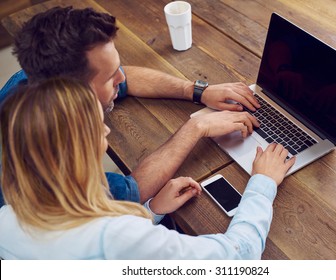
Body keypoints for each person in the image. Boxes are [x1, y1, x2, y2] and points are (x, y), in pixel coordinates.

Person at [0, 78, 295, 259]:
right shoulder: (116, 236)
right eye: (97, 123)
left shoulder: (7, 218)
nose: (106, 130)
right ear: (78, 148)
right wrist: (263, 183)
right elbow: (239, 257)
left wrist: (152, 211)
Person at [0, 6, 260, 206]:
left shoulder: (33, 79)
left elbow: (126, 77)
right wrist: (197, 126)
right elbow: (130, 192)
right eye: (110, 76)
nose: (122, 78)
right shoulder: (53, 176)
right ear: (74, 93)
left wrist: (197, 90)